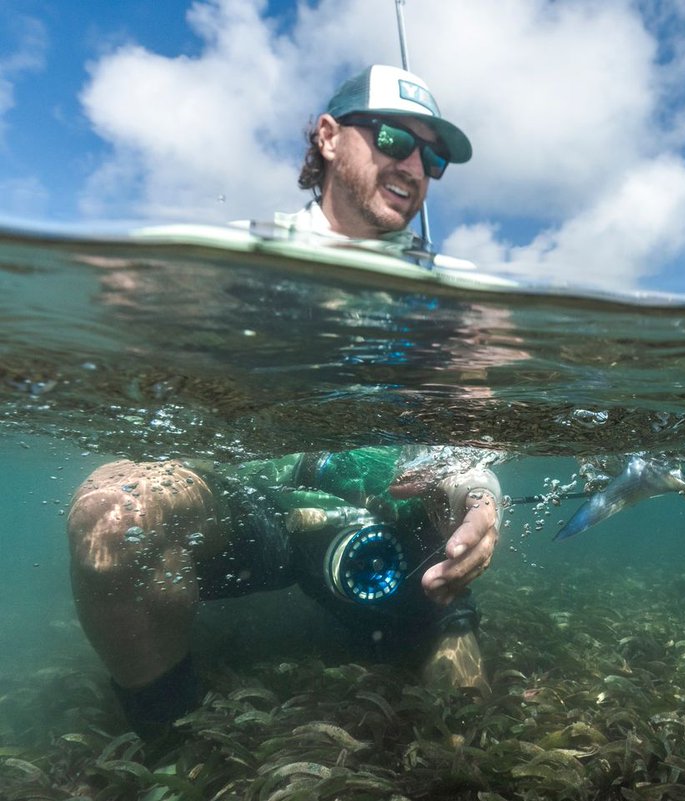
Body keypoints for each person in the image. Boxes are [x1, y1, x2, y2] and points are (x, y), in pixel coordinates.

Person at [67, 65, 502, 741]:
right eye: (393, 139)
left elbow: (471, 434)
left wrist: (480, 493)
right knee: (111, 511)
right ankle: (167, 744)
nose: (415, 166)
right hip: (252, 501)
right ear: (328, 136)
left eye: (433, 157)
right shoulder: (232, 265)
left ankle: (449, 617)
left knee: (465, 713)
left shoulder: (455, 301)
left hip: (383, 507)